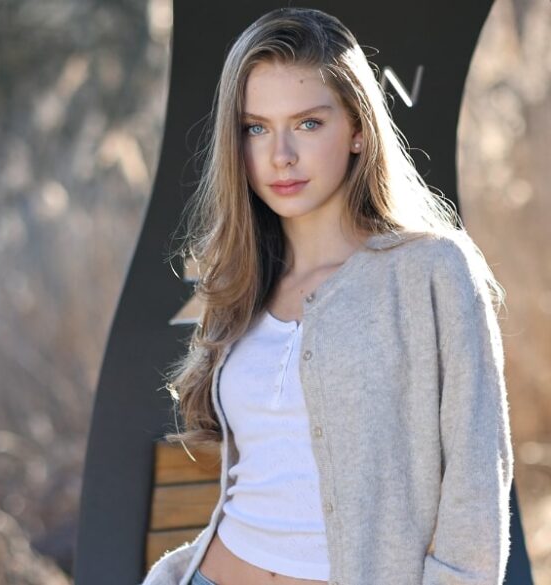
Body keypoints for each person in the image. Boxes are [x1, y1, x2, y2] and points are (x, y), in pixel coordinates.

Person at [142, 7, 512, 585]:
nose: (280, 155)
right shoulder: (241, 279)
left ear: (358, 128)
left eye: (309, 124)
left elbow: (475, 493)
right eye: (255, 127)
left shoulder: (432, 272)